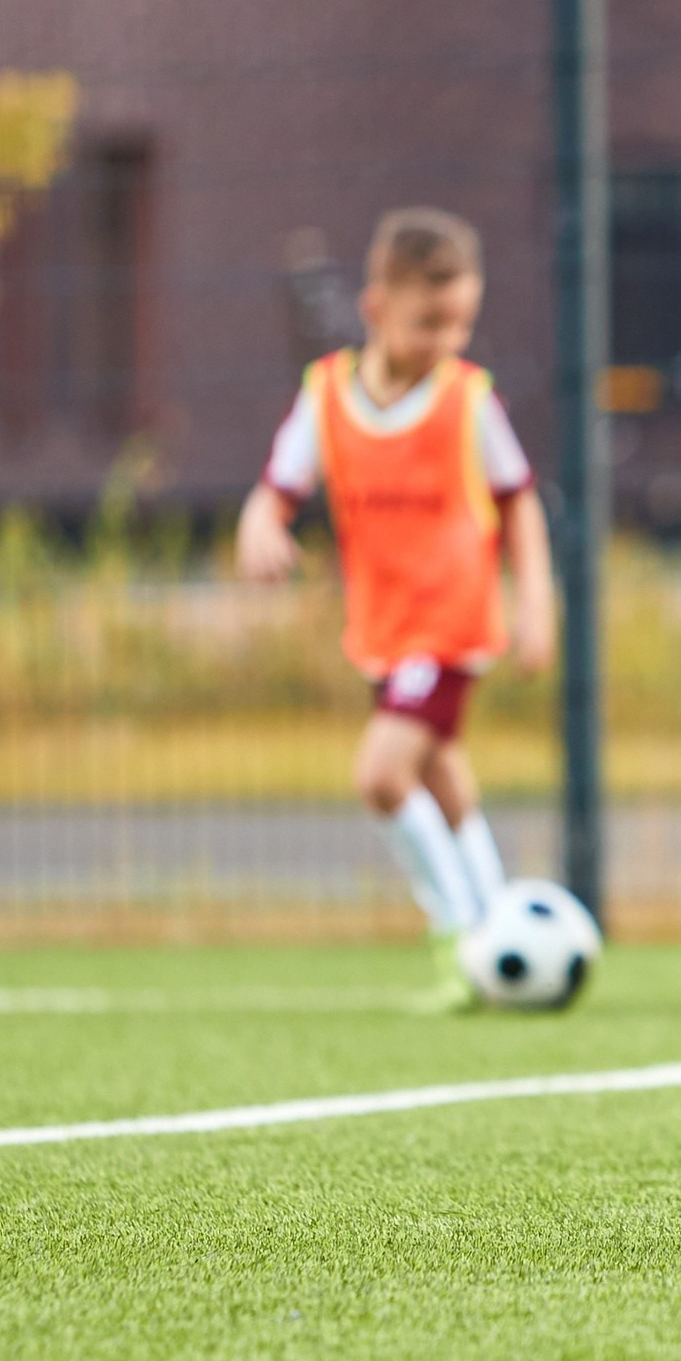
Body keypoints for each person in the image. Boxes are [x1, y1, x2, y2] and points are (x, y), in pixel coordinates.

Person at [237, 208, 556, 1006]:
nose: (448, 340)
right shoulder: (326, 394)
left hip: (451, 623)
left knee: (383, 776)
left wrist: (536, 604)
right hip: (381, 629)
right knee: (440, 778)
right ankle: (499, 933)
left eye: (461, 324)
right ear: (376, 307)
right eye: (429, 323)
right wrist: (259, 525)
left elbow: (519, 501)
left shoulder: (468, 400)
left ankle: (459, 935)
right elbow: (278, 487)